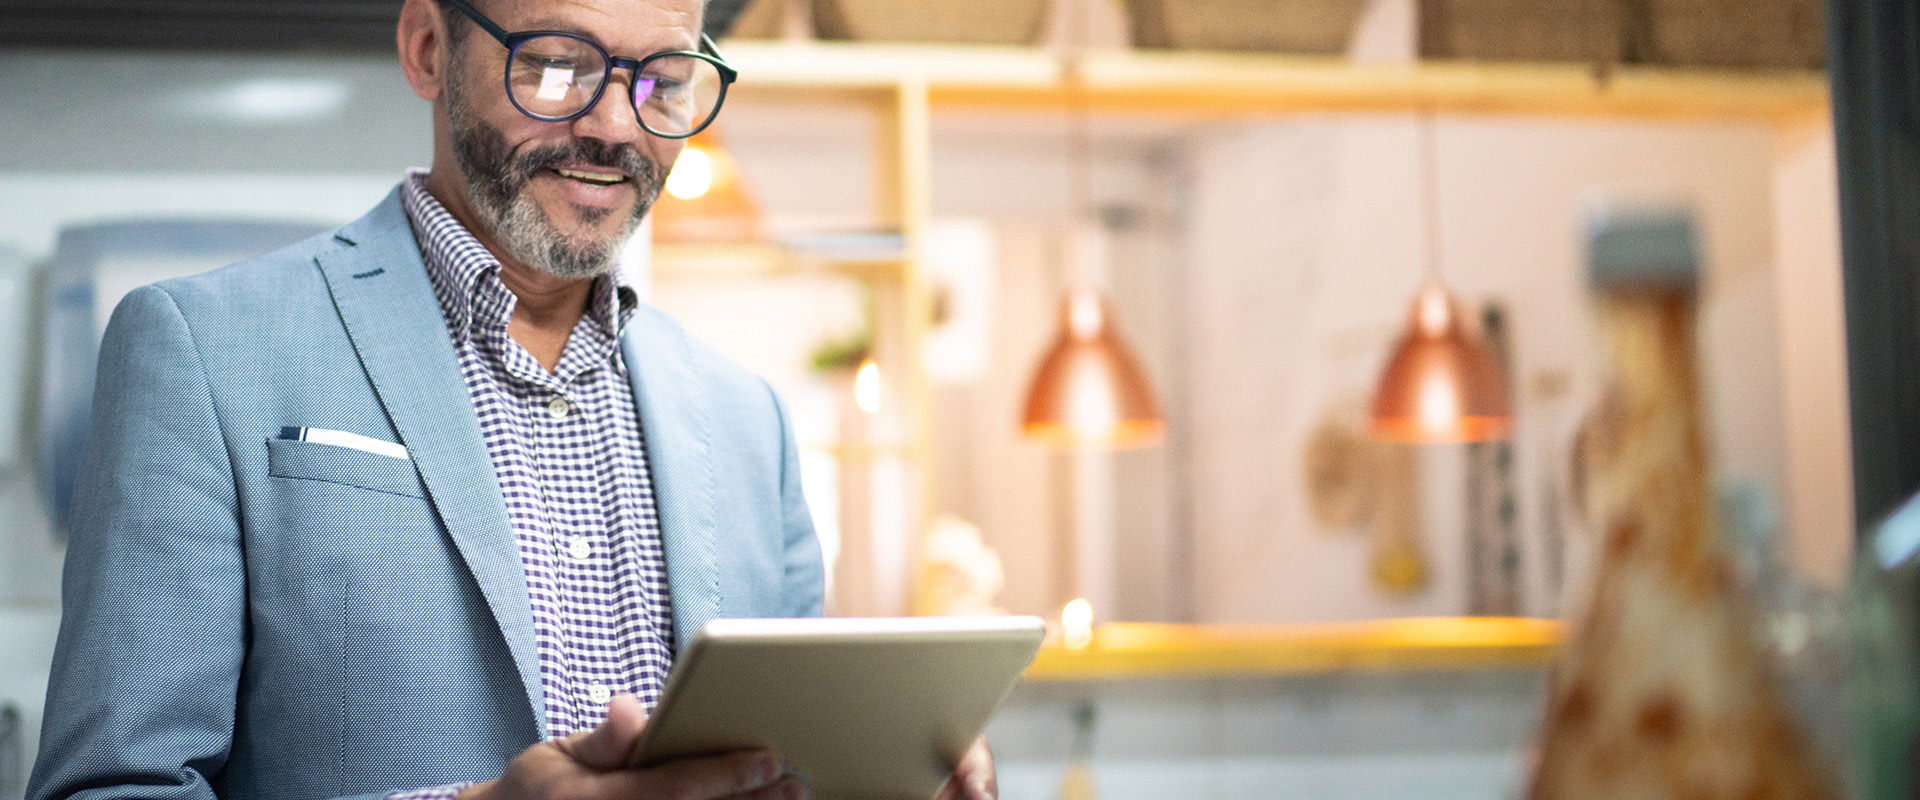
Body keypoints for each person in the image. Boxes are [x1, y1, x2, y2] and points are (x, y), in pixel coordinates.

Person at [25, 0, 997, 798]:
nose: (616, 126)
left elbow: (780, 770)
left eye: (663, 81)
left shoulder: (750, 422)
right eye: (559, 64)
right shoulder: (199, 347)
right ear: (428, 49)